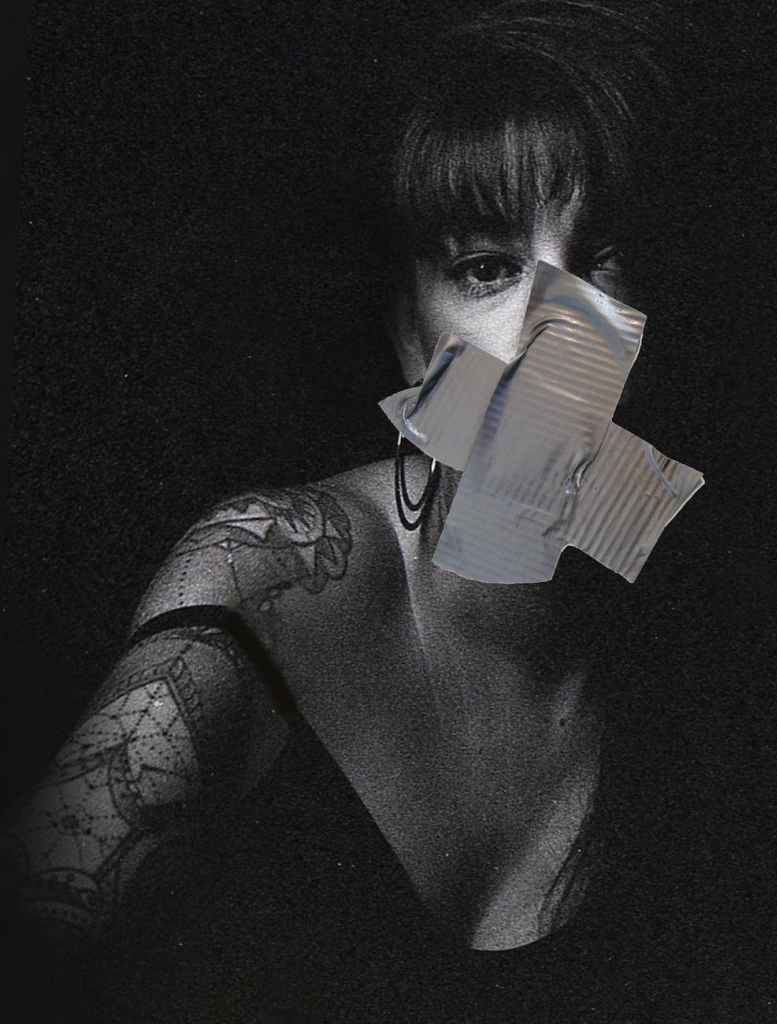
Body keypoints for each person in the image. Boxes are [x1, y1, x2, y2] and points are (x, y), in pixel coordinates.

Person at [3, 2, 695, 1019]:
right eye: (487, 267)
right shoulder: (272, 575)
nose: (553, 337)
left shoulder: (725, 658)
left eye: (603, 259)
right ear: (408, 330)